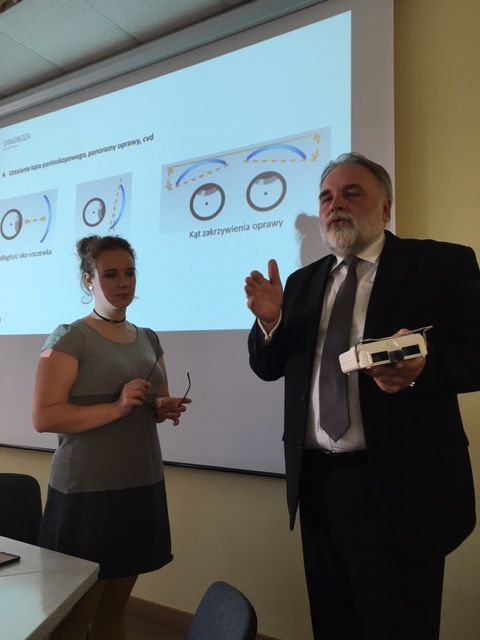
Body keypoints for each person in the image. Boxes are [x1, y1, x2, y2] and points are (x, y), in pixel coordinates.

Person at [245, 153, 480, 640]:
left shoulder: (442, 264)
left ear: (386, 207)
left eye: (352, 193)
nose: (336, 205)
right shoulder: (302, 282)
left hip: (403, 488)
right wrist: (270, 323)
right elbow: (268, 368)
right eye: (326, 197)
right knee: (334, 625)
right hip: (318, 486)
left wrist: (424, 369)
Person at [32, 235, 191, 640]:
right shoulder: (71, 337)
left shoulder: (149, 338)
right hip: (86, 493)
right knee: (74, 617)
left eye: (130, 273)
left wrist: (161, 407)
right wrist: (117, 407)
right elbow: (44, 416)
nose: (123, 282)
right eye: (110, 274)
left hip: (140, 485)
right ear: (88, 281)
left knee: (113, 612)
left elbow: (153, 402)